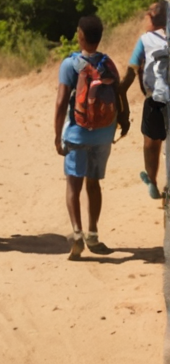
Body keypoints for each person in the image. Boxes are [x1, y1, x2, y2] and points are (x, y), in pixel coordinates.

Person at [55, 14, 128, 258]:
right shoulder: (108, 64)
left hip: (77, 133)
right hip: (104, 133)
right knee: (94, 183)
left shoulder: (70, 64)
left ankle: (77, 234)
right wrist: (124, 121)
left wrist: (57, 136)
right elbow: (118, 96)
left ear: (81, 36)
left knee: (73, 185)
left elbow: (61, 102)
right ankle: (93, 235)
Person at [120, 1, 168, 200]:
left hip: (155, 100)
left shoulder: (145, 40)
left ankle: (153, 181)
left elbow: (131, 71)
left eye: (146, 15)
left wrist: (120, 92)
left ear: (152, 18)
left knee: (151, 141)